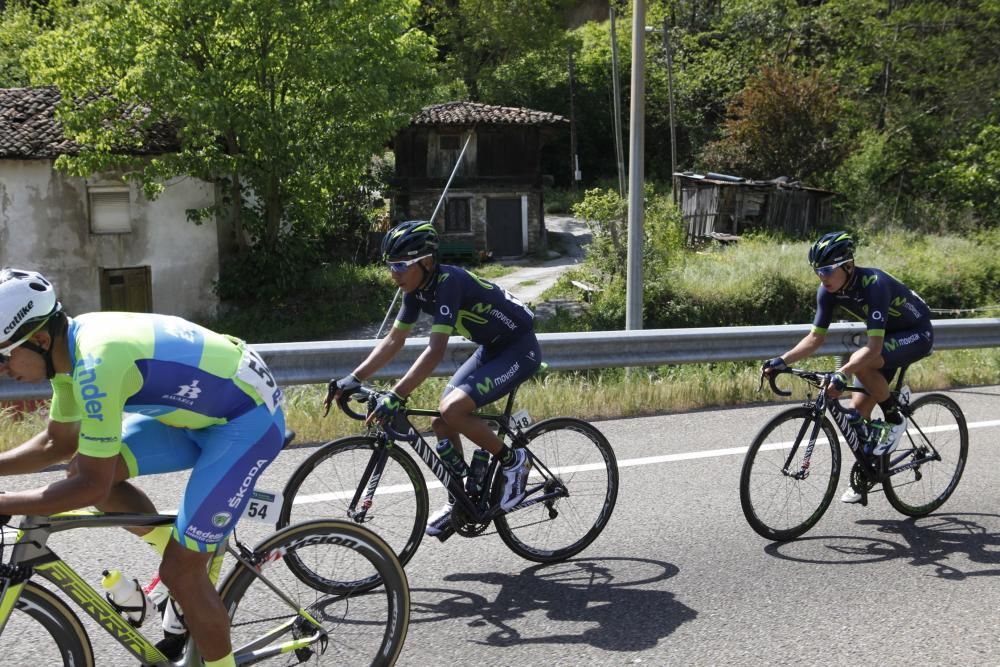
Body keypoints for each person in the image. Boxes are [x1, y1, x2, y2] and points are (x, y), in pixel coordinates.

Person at [0, 268, 286, 667]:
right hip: (196, 413)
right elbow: (57, 443)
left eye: (3, 354)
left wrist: (6, 502)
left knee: (180, 573)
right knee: (83, 468)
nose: (1, 369)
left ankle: (188, 573)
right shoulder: (67, 357)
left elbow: (91, 489)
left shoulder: (97, 364)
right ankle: (184, 552)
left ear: (41, 340)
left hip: (246, 420)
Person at [329, 220, 542, 536]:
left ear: (426, 261)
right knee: (442, 423)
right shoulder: (416, 290)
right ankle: (462, 498)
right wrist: (353, 378)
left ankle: (515, 461)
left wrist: (397, 395)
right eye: (390, 266)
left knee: (453, 410)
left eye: (401, 265)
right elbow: (393, 340)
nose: (394, 274)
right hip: (490, 349)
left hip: (518, 349)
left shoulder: (447, 282)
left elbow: (435, 351)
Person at [761, 231, 933, 503]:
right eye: (817, 271)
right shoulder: (828, 292)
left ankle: (894, 418)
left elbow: (873, 349)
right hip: (888, 338)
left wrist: (842, 373)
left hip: (915, 333)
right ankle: (868, 473)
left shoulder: (874, 284)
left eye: (828, 270)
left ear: (848, 265)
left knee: (861, 362)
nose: (822, 277)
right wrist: (782, 361)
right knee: (857, 414)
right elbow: (815, 338)